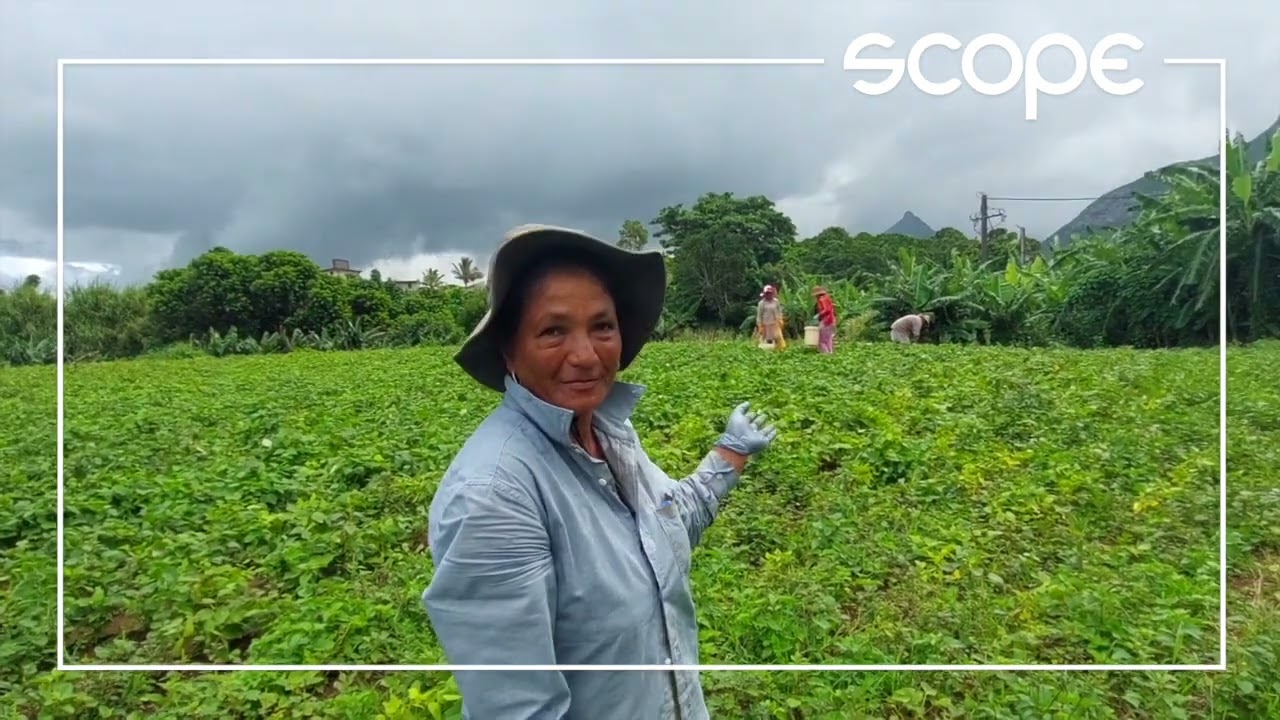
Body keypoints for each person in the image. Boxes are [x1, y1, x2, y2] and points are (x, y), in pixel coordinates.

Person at [421, 224, 778, 720]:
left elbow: (667, 530)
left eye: (602, 326)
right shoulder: (494, 495)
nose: (586, 356)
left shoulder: (609, 436)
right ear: (509, 350)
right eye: (553, 330)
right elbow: (518, 710)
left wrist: (729, 454)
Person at [811, 286, 837, 354]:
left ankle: (825, 354)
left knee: (822, 340)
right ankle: (830, 353)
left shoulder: (822, 299)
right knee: (828, 339)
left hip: (826, 321)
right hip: (831, 321)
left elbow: (827, 310)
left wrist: (819, 315)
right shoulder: (827, 298)